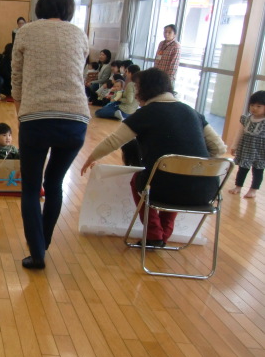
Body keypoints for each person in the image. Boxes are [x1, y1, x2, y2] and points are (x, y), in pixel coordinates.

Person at [81, 68, 227, 247]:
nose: (135, 95)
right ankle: (163, 235)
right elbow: (219, 148)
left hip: (162, 189)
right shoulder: (192, 112)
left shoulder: (146, 114)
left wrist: (91, 157)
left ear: (146, 89)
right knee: (175, 178)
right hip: (206, 192)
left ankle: (154, 233)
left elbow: (114, 141)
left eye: (137, 88)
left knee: (143, 181)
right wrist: (195, 163)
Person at [11, 0, 91, 270]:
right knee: (54, 182)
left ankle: (37, 254)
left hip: (36, 118)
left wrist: (22, 113)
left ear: (41, 6)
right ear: (69, 8)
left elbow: (16, 79)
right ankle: (44, 241)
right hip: (76, 120)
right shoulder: (79, 34)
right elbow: (77, 73)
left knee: (31, 189)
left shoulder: (26, 32)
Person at [228, 90, 265, 199]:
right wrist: (234, 146)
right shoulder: (246, 119)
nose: (254, 108)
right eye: (252, 105)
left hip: (261, 151)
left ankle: (253, 190)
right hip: (246, 148)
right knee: (242, 169)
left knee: (258, 171)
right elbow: (239, 133)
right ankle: (238, 186)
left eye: (259, 106)